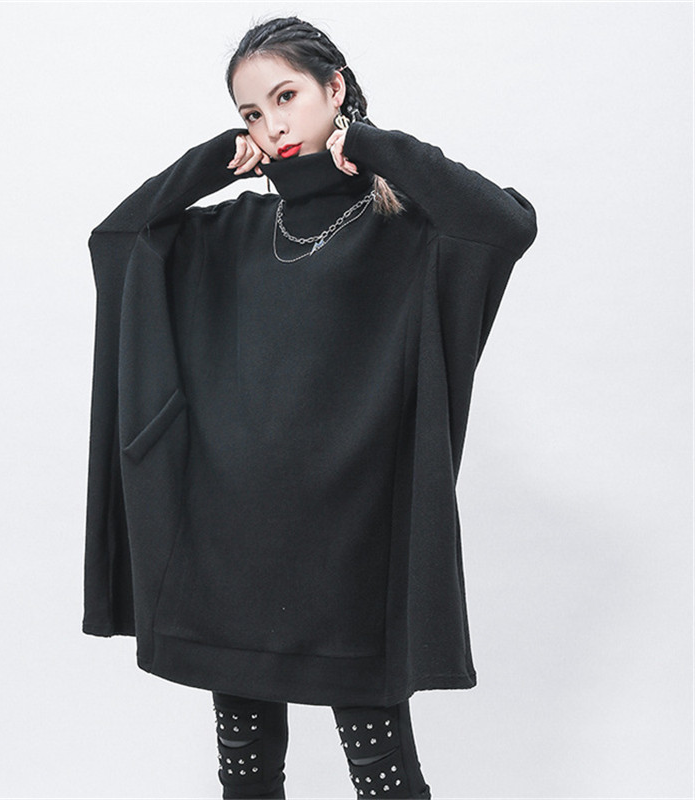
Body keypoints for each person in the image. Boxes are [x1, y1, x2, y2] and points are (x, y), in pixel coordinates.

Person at [82, 15, 538, 800]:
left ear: (334, 88)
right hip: (230, 544)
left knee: (383, 776)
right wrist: (205, 166)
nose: (273, 123)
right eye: (252, 112)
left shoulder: (405, 227)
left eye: (285, 96)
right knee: (246, 774)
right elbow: (118, 240)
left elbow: (505, 226)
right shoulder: (230, 229)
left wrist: (377, 146)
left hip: (350, 550)